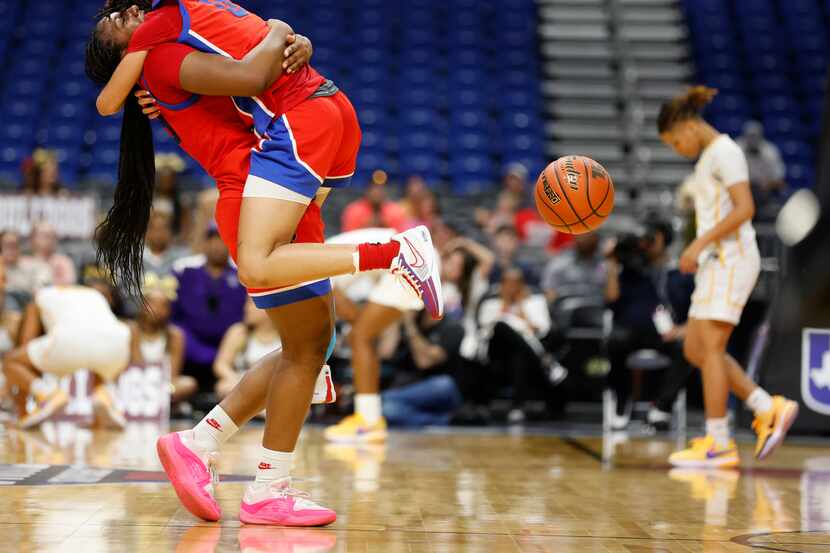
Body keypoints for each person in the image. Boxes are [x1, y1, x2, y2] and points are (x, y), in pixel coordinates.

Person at [85, 0, 442, 526]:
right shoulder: (158, 57)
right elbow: (252, 72)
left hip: (268, 180)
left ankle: (209, 450)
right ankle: (393, 255)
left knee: (305, 348)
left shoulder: (170, 55)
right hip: (249, 189)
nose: (126, 11)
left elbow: (246, 72)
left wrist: (296, 41)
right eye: (115, 21)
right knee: (294, 334)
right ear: (122, 53)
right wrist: (281, 30)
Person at [658, 86, 798, 467]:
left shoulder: (726, 152)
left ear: (686, 125)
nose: (676, 149)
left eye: (674, 141)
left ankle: (719, 441)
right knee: (695, 350)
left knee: (713, 349)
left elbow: (745, 208)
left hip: (731, 259)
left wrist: (696, 244)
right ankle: (767, 406)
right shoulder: (707, 159)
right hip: (714, 262)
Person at [324, 228, 424, 444]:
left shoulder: (312, 267)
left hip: (411, 258)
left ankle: (368, 422)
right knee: (361, 337)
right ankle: (369, 418)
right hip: (412, 255)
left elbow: (349, 313)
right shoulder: (320, 253)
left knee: (360, 337)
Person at [604, 219, 695, 430]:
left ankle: (662, 407)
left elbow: (697, 311)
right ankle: (622, 401)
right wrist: (611, 263)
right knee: (615, 341)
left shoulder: (680, 272)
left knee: (688, 347)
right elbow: (611, 300)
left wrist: (683, 329)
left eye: (652, 237)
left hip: (666, 334)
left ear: (665, 239)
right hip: (630, 331)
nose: (646, 242)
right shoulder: (629, 268)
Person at [2, 280, 130, 429]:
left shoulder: (40, 296)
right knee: (97, 364)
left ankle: (47, 393)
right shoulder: (92, 295)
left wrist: (24, 389)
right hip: (119, 344)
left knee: (11, 362)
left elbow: (26, 344)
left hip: (70, 340)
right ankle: (104, 399)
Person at [171, 226, 247, 394]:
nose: (217, 246)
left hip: (228, 348)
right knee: (177, 334)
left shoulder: (241, 276)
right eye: (213, 240)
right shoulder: (186, 274)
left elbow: (245, 318)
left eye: (222, 241)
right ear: (204, 244)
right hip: (190, 349)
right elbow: (175, 316)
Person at [475, 267, 554, 422]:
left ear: (523, 285)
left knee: (519, 355)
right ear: (501, 285)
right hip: (497, 351)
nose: (512, 288)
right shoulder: (490, 304)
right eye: (508, 283)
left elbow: (544, 330)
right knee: (501, 327)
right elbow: (485, 332)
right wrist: (503, 308)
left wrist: (523, 313)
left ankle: (517, 407)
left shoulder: (535, 302)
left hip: (524, 353)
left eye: (516, 283)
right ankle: (546, 363)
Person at [381, 309, 466, 428]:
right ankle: (443, 421)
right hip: (409, 390)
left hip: (440, 389)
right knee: (388, 410)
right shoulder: (408, 323)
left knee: (443, 384)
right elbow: (385, 353)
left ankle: (382, 398)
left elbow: (424, 362)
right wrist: (395, 321)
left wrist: (410, 326)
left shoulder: (452, 327)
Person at [129, 272, 197, 405]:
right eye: (152, 303)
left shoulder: (175, 335)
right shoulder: (133, 331)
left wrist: (158, 386)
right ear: (143, 305)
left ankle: (156, 403)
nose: (156, 310)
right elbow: (137, 366)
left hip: (163, 385)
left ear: (169, 309)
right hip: (136, 383)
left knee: (188, 383)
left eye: (163, 305)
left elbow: (173, 374)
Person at [213, 298, 282, 399]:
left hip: (275, 386)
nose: (246, 308)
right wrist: (235, 379)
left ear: (269, 308)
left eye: (251, 304)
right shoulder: (239, 332)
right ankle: (262, 411)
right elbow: (221, 365)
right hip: (240, 383)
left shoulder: (286, 335)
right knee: (224, 386)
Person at [736, 120, 787, 221]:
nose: (752, 139)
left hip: (763, 192)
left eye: (755, 136)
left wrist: (768, 184)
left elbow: (780, 182)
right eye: (750, 136)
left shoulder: (770, 152)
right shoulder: (736, 148)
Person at [541, 232, 607, 303]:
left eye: (590, 235)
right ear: (575, 239)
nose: (586, 239)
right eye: (582, 235)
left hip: (596, 309)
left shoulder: (603, 265)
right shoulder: (560, 262)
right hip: (565, 309)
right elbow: (549, 292)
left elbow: (611, 296)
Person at [340, 174, 409, 232]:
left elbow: (400, 236)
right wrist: (365, 228)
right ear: (367, 190)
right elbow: (347, 236)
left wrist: (384, 226)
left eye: (381, 188)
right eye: (374, 188)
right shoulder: (353, 210)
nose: (377, 192)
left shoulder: (395, 211)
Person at [0, 230, 52, 297]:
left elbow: (44, 276)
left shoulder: (32, 265)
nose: (11, 250)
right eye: (7, 245)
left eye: (14, 245)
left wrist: (38, 288)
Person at [154, 153, 192, 241]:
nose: (166, 181)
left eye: (170, 177)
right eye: (163, 177)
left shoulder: (182, 202)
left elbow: (186, 228)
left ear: (174, 178)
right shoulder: (149, 201)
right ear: (158, 177)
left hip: (175, 242)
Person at [27, 222, 77, 286]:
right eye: (44, 235)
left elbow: (69, 284)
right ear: (32, 239)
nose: (50, 238)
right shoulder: (23, 262)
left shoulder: (63, 262)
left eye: (52, 235)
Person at [143, 211, 186, 277]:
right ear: (147, 232)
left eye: (163, 228)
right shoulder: (137, 258)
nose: (158, 234)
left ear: (171, 232)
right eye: (155, 229)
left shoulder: (181, 256)